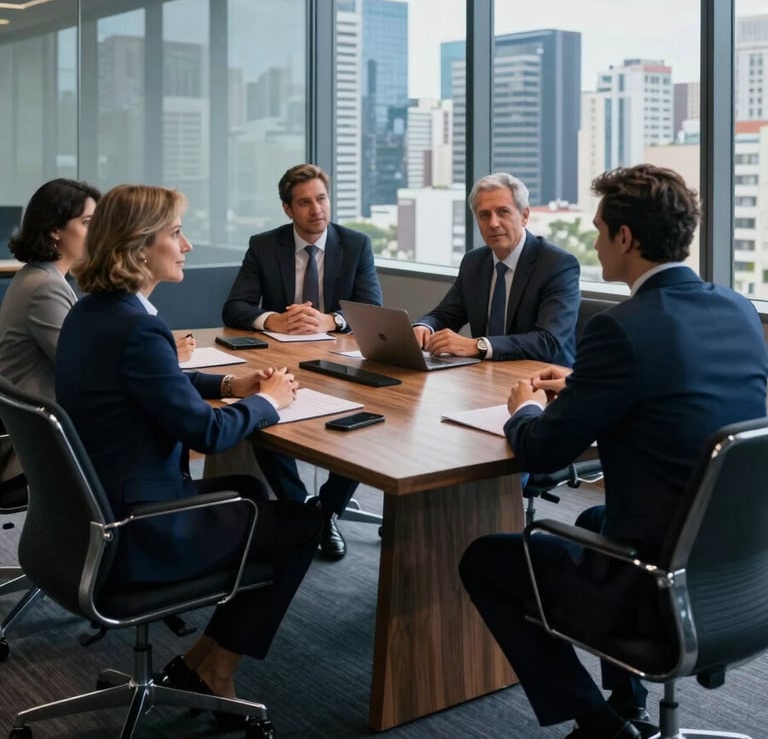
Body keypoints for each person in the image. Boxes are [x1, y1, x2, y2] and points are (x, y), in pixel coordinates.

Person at [459, 165, 768, 739]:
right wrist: (583, 384)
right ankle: (628, 705)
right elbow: (679, 395)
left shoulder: (621, 328)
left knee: (486, 560)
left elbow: (544, 454)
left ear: (626, 238)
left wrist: (523, 408)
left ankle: (601, 727)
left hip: (661, 583)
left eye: (600, 229)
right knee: (595, 517)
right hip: (741, 574)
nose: (595, 240)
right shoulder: (739, 311)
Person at [55, 184, 322, 711]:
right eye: (176, 233)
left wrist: (229, 386)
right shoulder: (139, 329)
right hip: (138, 528)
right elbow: (208, 434)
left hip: (89, 514)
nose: (188, 246)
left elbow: (151, 381)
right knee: (302, 523)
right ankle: (219, 670)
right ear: (137, 247)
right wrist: (268, 400)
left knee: (247, 487)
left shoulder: (93, 314)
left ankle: (201, 656)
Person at [222, 163, 383, 561]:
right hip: (282, 359)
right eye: (305, 202)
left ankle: (326, 510)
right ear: (287, 209)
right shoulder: (264, 245)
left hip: (338, 360)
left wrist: (332, 320)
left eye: (322, 199)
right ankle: (299, 507)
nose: (317, 210)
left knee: (362, 425)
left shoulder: (356, 244)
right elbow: (234, 307)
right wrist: (272, 319)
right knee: (263, 421)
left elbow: (371, 308)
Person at [413, 172, 580, 364]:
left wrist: (478, 346)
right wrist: (424, 327)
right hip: (487, 377)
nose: (493, 223)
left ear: (524, 216)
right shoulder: (474, 262)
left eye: (503, 212)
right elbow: (444, 315)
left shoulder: (556, 264)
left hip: (544, 382)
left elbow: (548, 342)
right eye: (484, 215)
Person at [0, 178, 100, 488]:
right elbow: (84, 368)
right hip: (33, 446)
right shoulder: (45, 287)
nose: (97, 233)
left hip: (33, 429)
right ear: (55, 229)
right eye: (87, 223)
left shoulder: (40, 277)